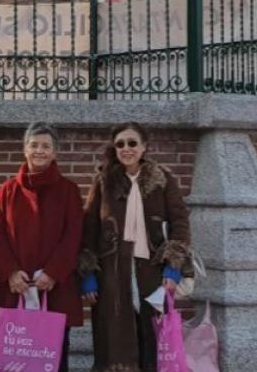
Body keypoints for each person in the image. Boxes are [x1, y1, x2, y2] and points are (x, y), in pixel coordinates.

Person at [80, 122, 192, 372]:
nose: (126, 148)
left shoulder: (162, 179)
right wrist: (87, 273)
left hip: (152, 270)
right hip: (112, 272)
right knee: (114, 341)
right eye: (120, 144)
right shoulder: (104, 180)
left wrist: (173, 267)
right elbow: (89, 228)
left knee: (151, 333)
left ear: (144, 147)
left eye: (132, 143)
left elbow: (180, 222)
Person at [0, 122, 84, 372]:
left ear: (54, 152)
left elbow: (73, 235)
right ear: (25, 150)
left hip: (55, 287)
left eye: (46, 146)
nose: (39, 150)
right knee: (18, 359)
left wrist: (53, 272)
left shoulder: (69, 191)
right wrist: (10, 271)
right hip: (17, 285)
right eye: (34, 145)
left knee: (55, 358)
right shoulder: (7, 191)